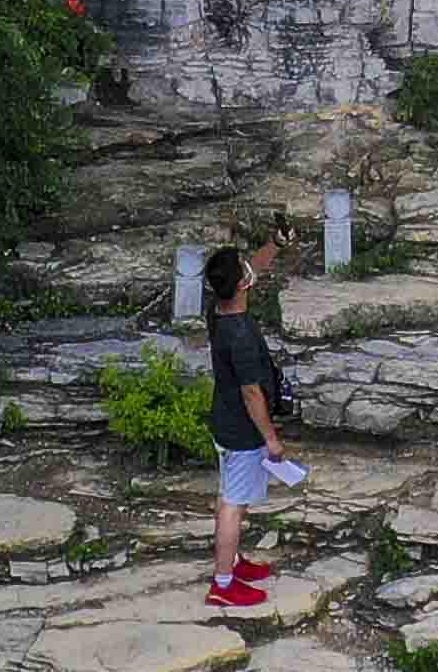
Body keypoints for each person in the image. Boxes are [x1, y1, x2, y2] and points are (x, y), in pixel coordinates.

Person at [201, 229, 294, 608]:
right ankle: (222, 584)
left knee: (230, 497)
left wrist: (276, 243)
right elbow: (251, 393)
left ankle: (234, 561)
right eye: (244, 269)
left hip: (224, 421)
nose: (249, 270)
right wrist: (270, 438)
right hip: (242, 430)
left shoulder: (218, 311)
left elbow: (253, 267)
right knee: (233, 505)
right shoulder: (239, 335)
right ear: (241, 285)